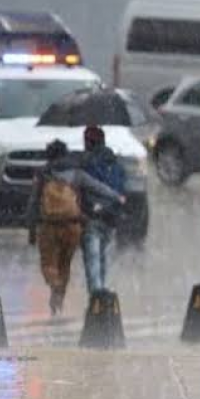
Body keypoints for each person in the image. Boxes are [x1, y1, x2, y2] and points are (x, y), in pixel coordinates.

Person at [28, 139, 125, 315]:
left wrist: (31, 228)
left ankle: (54, 284)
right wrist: (116, 196)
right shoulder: (77, 174)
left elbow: (33, 202)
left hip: (48, 226)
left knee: (49, 263)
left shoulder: (43, 174)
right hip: (72, 226)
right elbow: (98, 187)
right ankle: (58, 299)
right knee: (64, 264)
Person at [80, 125, 127, 294]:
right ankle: (102, 296)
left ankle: (96, 297)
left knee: (92, 259)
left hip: (92, 217)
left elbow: (84, 189)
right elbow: (121, 190)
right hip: (111, 217)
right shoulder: (116, 165)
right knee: (102, 258)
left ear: (88, 142)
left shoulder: (86, 165)